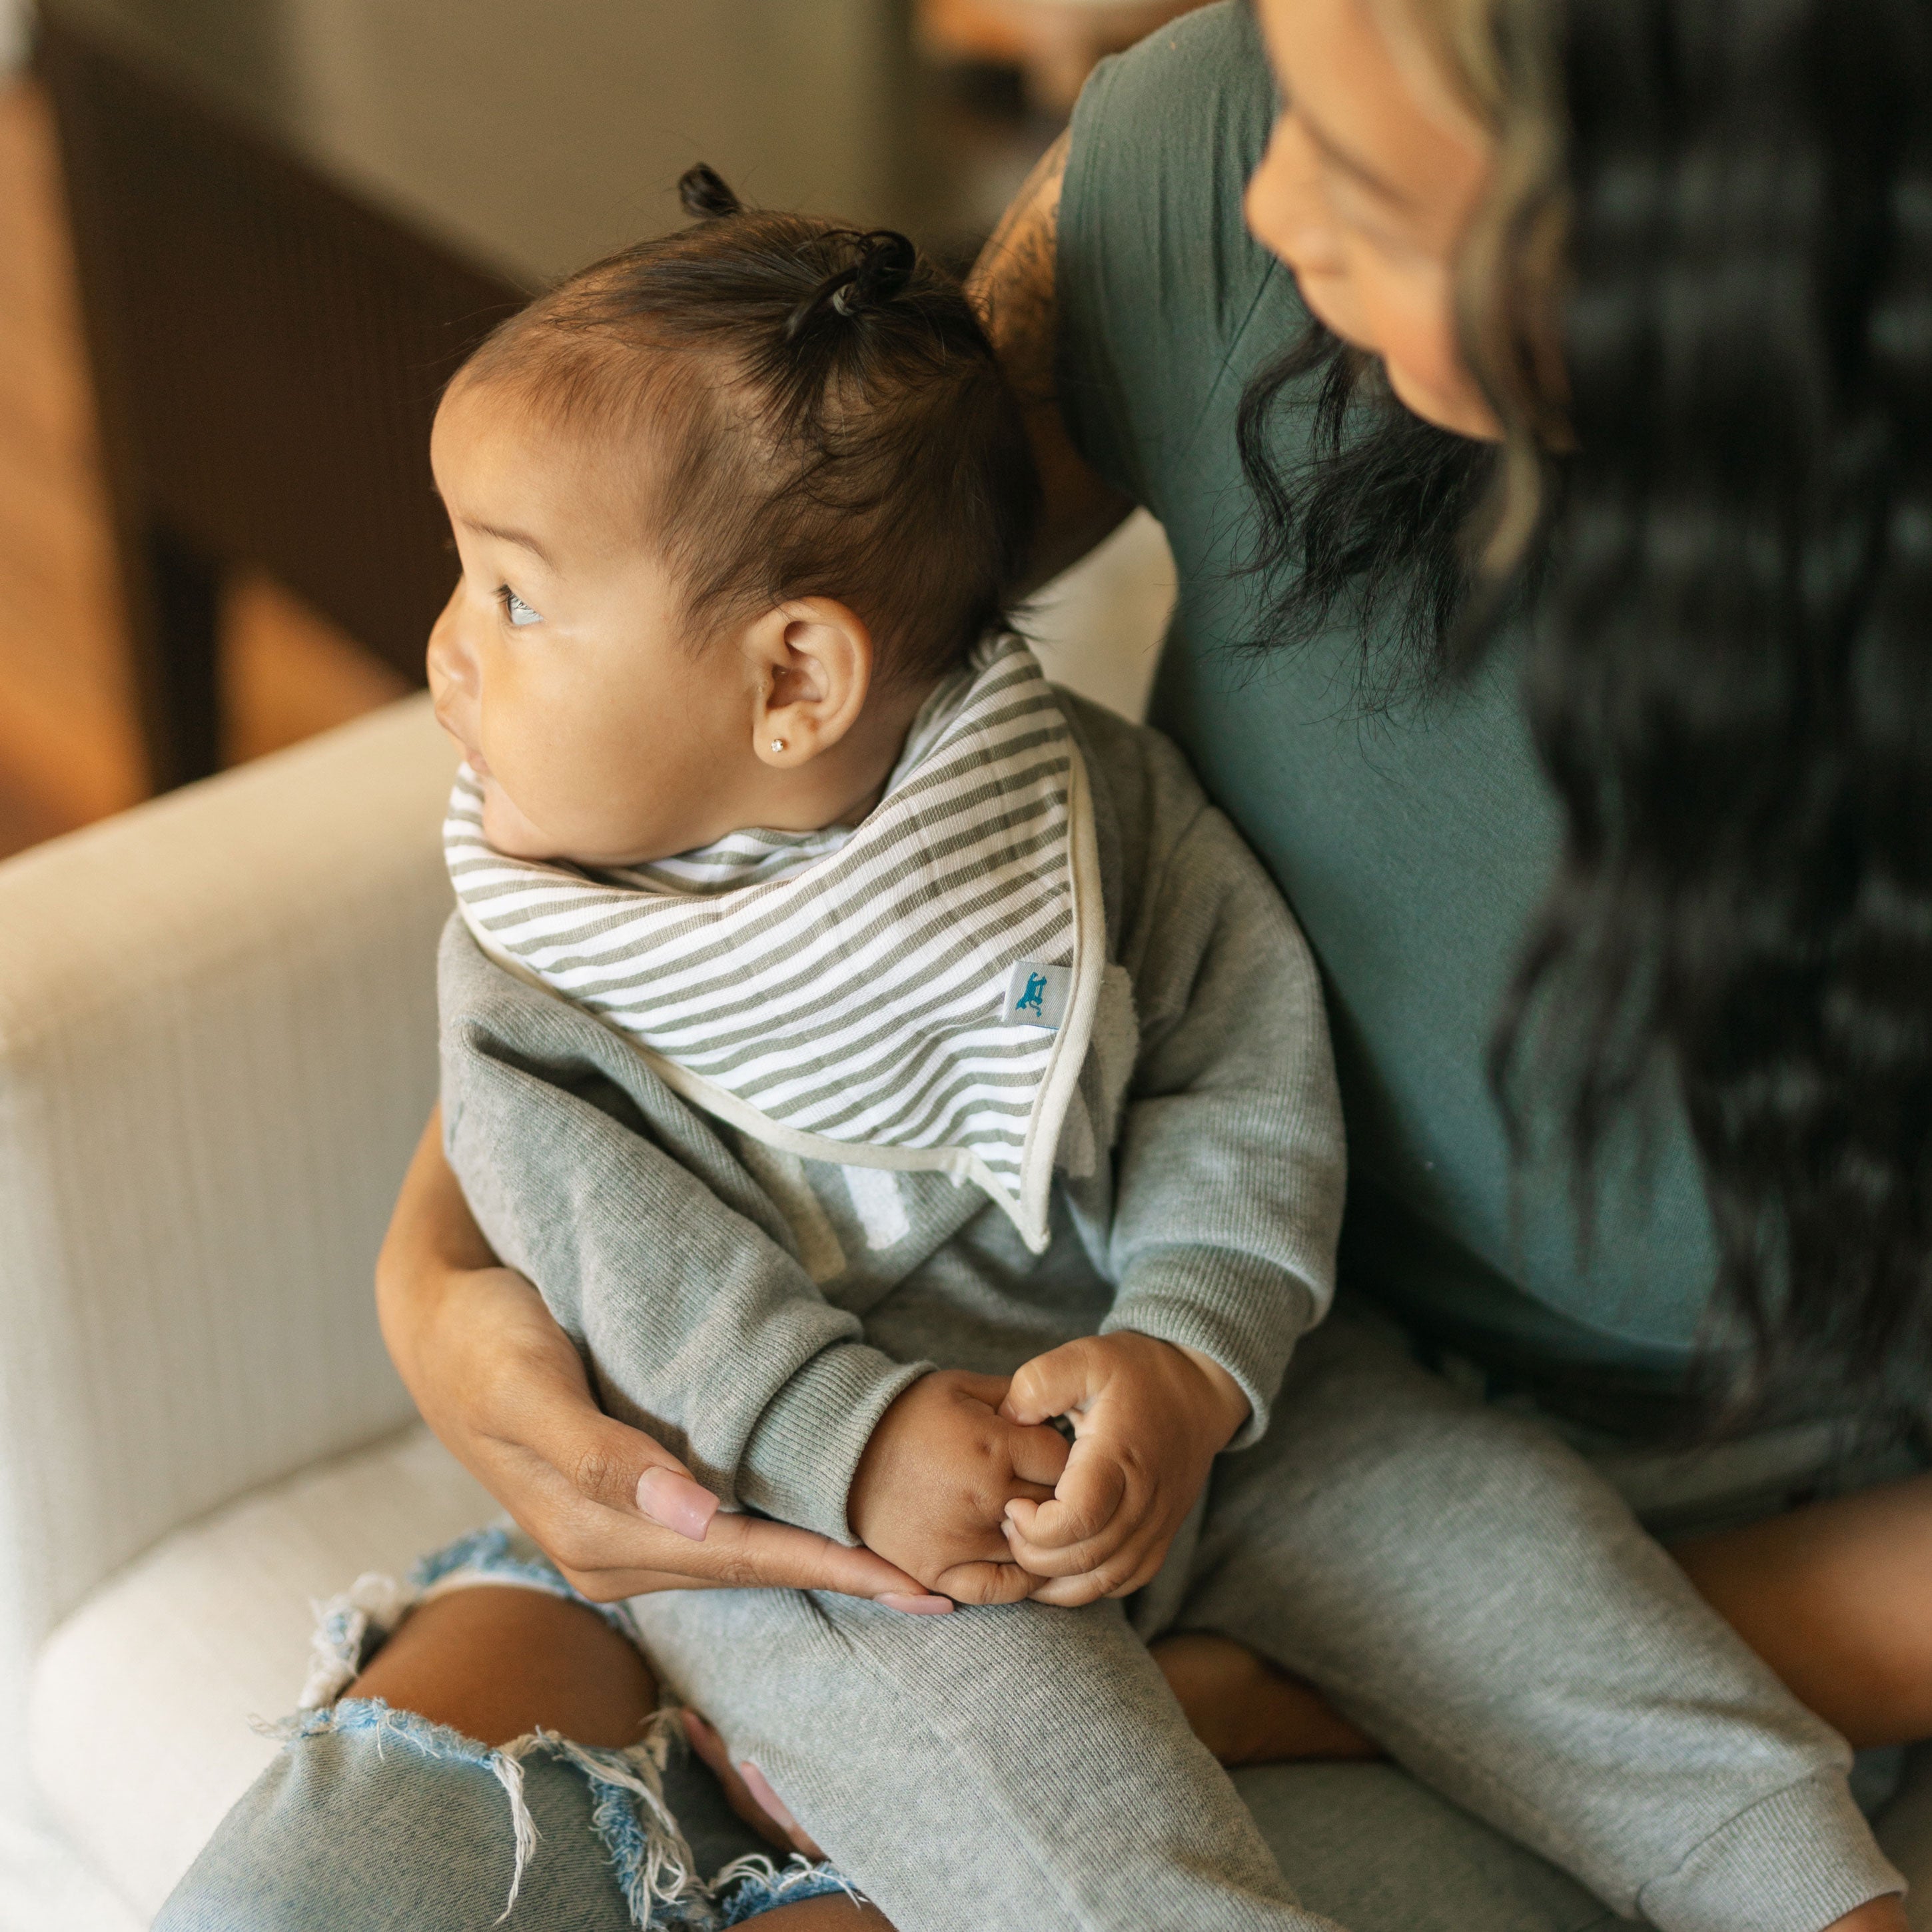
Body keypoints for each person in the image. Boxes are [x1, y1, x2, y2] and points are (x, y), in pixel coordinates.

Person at [155, 1, 1932, 1929]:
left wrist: (1205, 1444)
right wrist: (451, 1285)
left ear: (1697, 202)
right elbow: (752, 572)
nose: (1262, 193)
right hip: (817, 1468)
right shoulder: (1203, 170)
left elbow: (1232, 1045)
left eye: (1355, 157)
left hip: (1385, 1421)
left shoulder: (1111, 822)